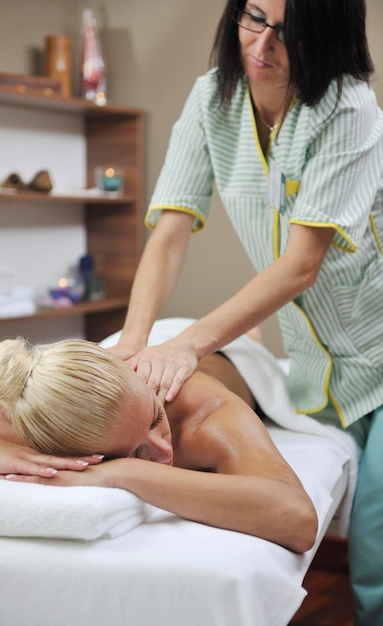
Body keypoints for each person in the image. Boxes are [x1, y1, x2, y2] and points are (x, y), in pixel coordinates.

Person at [107, 1, 383, 623]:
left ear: (327, 36)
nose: (262, 45)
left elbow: (300, 265)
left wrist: (187, 345)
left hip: (380, 343)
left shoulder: (347, 110)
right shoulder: (212, 100)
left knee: (375, 552)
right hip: (315, 368)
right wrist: (132, 339)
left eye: (289, 31)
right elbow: (171, 232)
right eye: (254, 18)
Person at [0, 333, 317, 554]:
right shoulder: (43, 409)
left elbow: (299, 522)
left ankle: (250, 340)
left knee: (248, 345)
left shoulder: (207, 413)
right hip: (120, 354)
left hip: (229, 356)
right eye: (133, 451)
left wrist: (123, 471)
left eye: (154, 418)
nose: (165, 452)